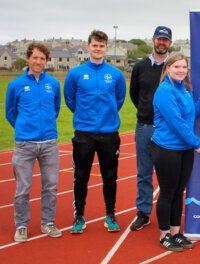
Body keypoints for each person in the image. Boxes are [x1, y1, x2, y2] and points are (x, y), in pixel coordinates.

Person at [64, 30, 126, 234]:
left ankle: (110, 215)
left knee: (110, 177)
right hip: (84, 134)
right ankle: (79, 217)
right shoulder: (75, 74)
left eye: (101, 46)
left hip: (109, 134)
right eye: (94, 45)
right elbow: (71, 100)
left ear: (106, 48)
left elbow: (118, 100)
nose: (98, 49)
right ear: (88, 46)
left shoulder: (116, 74)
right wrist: (85, 117)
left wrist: (105, 118)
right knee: (81, 177)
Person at [151, 53, 200, 251]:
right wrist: (197, 143)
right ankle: (164, 235)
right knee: (167, 192)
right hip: (167, 148)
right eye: (176, 66)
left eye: (184, 67)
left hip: (185, 149)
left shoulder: (184, 90)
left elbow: (193, 112)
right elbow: (176, 122)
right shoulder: (164, 91)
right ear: (168, 68)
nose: (180, 70)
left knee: (179, 192)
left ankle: (176, 233)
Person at [5, 43, 62, 242]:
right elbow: (10, 113)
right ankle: (21, 225)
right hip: (24, 144)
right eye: (35, 58)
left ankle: (48, 222)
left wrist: (44, 128)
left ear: (46, 61)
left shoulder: (53, 84)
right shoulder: (16, 85)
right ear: (28, 58)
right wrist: (24, 128)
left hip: (49, 143)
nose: (39, 62)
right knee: (23, 187)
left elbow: (55, 109)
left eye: (42, 59)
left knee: (51, 186)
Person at [129, 26, 172, 231]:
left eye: (165, 40)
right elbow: (134, 95)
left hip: (169, 130)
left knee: (169, 174)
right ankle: (143, 212)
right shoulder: (140, 66)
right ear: (153, 40)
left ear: (170, 43)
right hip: (145, 126)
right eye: (159, 39)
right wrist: (147, 112)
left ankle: (170, 213)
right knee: (144, 172)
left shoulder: (175, 66)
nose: (162, 42)